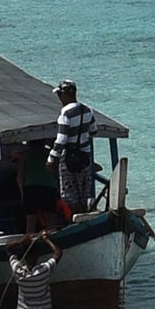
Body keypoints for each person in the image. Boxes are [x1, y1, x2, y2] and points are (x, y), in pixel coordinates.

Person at [8, 233, 64, 309]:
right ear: (38, 256)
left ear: (24, 257)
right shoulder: (43, 271)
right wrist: (46, 239)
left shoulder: (18, 271)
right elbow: (58, 253)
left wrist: (21, 241)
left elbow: (7, 248)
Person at [51, 80, 99, 216]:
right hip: (85, 156)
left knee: (70, 193)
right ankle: (85, 216)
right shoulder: (88, 110)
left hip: (69, 158)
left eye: (60, 95)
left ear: (65, 95)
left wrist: (51, 158)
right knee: (83, 192)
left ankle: (76, 219)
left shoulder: (65, 113)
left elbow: (61, 139)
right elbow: (93, 131)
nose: (59, 98)